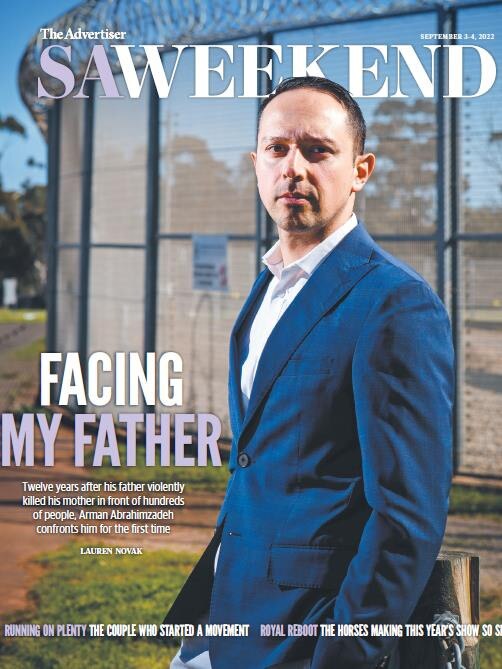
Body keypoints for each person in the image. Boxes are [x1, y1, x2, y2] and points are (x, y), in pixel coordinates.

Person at [164, 76, 454, 669]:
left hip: (306, 638)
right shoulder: (265, 290)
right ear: (256, 163)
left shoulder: (395, 303)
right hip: (227, 623)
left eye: (317, 150)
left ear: (360, 169)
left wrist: (342, 655)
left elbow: (407, 518)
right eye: (277, 149)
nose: (292, 167)